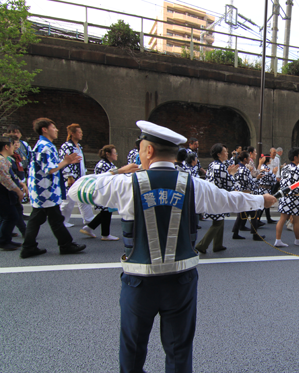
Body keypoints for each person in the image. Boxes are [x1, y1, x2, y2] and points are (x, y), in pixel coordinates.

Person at [68, 121, 276, 373]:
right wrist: (261, 200)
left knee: (132, 350)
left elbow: (77, 188)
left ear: (148, 151)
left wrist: (117, 172)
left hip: (138, 282)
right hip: (181, 282)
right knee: (179, 351)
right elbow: (229, 200)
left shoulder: (125, 185)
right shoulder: (193, 185)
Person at [20, 118, 86, 259]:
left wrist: (67, 162)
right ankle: (65, 245)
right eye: (53, 127)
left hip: (42, 190)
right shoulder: (45, 146)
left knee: (40, 219)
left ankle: (29, 247)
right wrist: (66, 161)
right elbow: (50, 169)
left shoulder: (44, 145)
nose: (56, 130)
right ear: (45, 129)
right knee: (53, 219)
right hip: (45, 191)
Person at [195, 143, 239, 253]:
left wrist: (228, 173)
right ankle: (202, 245)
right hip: (217, 197)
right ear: (219, 154)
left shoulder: (213, 164)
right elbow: (229, 184)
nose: (227, 153)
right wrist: (232, 174)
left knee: (219, 220)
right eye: (225, 151)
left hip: (212, 195)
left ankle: (218, 245)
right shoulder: (220, 167)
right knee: (218, 222)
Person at [79, 145, 120, 241]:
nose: (116, 155)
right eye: (115, 153)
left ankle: (89, 228)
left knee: (106, 211)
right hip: (103, 191)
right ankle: (105, 234)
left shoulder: (108, 164)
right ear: (108, 154)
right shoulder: (103, 165)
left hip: (106, 191)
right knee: (106, 211)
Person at [59, 123, 95, 228]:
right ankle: (62, 221)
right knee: (68, 201)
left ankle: (89, 219)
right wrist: (69, 176)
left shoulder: (79, 147)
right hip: (71, 177)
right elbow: (64, 161)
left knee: (83, 197)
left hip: (80, 176)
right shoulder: (66, 146)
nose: (81, 134)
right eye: (79, 132)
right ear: (72, 133)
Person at [275, 147, 299, 247]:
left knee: (282, 219)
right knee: (297, 219)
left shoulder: (284, 168)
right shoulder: (297, 170)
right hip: (294, 197)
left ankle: (278, 240)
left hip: (284, 196)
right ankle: (298, 240)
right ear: (295, 157)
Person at [0, 136, 28, 251]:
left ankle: (6, 239)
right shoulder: (1, 161)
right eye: (12, 145)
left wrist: (22, 185)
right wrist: (18, 191)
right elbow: (5, 179)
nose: (14, 148)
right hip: (3, 193)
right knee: (11, 216)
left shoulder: (5, 159)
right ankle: (3, 241)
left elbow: (12, 175)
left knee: (10, 216)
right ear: (6, 147)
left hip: (6, 193)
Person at [232, 151, 265, 241]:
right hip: (247, 193)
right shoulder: (245, 170)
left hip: (239, 192)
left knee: (241, 213)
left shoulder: (237, 168)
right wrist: (257, 179)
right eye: (249, 158)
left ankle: (235, 232)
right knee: (254, 213)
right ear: (245, 159)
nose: (250, 159)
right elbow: (250, 183)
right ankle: (255, 234)